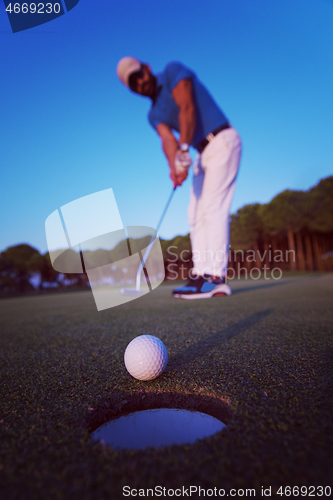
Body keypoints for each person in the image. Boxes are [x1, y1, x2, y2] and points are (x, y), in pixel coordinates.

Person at [116, 57, 242, 299]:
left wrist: (183, 149)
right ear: (132, 90)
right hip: (202, 152)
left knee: (213, 207)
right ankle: (201, 274)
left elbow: (187, 107)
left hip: (222, 140)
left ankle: (215, 278)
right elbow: (167, 140)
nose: (141, 82)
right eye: (134, 83)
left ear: (147, 67)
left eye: (140, 74)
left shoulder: (173, 71)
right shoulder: (153, 114)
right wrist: (175, 167)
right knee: (194, 214)